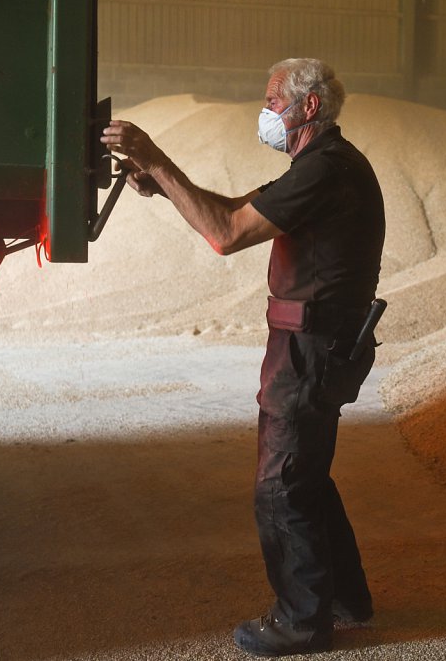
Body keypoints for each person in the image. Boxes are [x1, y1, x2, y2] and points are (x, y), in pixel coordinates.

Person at [101, 57, 385, 657]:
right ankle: (345, 600)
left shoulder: (325, 171)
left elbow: (226, 232)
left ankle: (303, 620)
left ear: (309, 107)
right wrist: (165, 185)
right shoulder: (321, 169)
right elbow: (233, 209)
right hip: (318, 344)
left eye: (274, 99)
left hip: (310, 348)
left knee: (280, 487)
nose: (266, 111)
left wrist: (154, 157)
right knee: (305, 476)